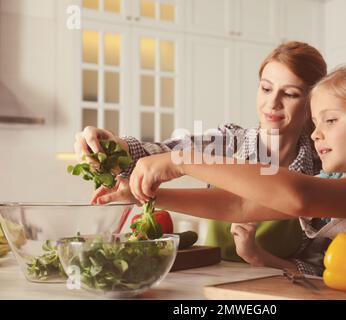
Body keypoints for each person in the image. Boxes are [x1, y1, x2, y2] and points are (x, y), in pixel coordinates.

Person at [92, 62, 346, 297]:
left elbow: (299, 197)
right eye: (315, 124)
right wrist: (150, 196)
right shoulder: (341, 182)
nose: (316, 135)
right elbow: (240, 204)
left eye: (330, 121)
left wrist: (183, 160)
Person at [74, 41, 328, 271]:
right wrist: (112, 147)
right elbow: (158, 152)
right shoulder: (227, 142)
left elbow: (317, 268)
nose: (273, 103)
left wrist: (259, 257)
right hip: (211, 281)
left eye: (290, 94)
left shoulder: (322, 170)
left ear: (312, 103)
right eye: (266, 88)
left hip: (283, 291)